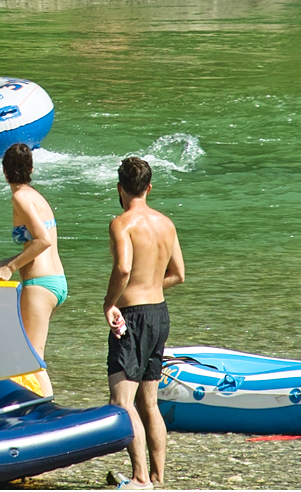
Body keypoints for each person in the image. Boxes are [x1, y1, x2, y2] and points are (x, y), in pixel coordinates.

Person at [104, 157, 185, 490]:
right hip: (159, 313)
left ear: (120, 188)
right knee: (148, 402)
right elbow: (178, 275)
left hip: (132, 318)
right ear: (149, 188)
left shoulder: (121, 223)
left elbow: (123, 269)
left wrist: (110, 303)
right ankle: (157, 477)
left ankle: (139, 479)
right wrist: (149, 284)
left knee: (122, 402)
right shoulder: (166, 223)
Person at [0, 143, 67, 397]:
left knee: (32, 358)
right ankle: (33, 404)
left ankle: (49, 413)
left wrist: (11, 267)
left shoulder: (20, 197)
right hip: (56, 281)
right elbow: (39, 242)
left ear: (4, 171)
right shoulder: (36, 196)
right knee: (28, 354)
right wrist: (4, 262)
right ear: (31, 168)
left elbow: (42, 240)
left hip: (39, 285)